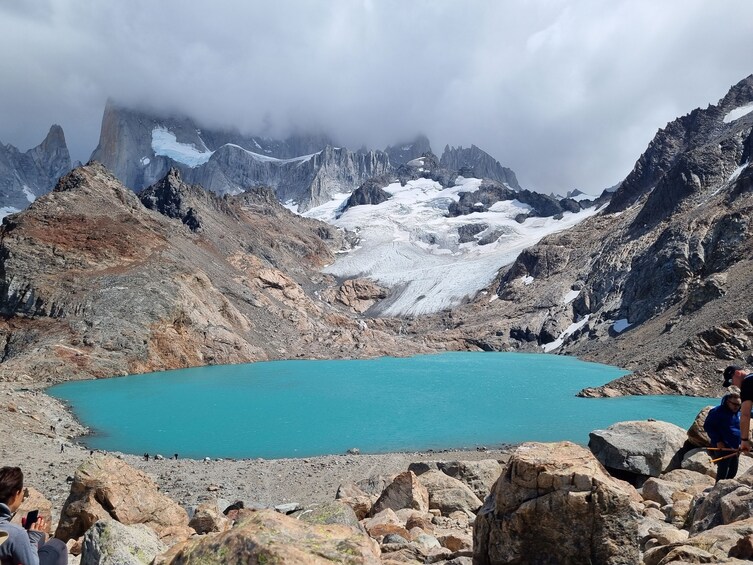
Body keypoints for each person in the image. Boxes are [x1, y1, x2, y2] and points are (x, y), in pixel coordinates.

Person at [0, 466, 67, 565]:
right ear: (16, 493)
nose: (23, 494)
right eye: (22, 491)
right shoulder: (16, 534)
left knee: (41, 537)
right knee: (58, 545)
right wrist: (32, 539)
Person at [703, 391, 742, 481]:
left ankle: (723, 488)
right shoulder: (717, 412)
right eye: (734, 404)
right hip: (722, 446)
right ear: (728, 402)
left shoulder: (738, 412)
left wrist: (741, 442)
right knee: (722, 471)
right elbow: (708, 427)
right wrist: (718, 441)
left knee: (733, 471)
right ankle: (717, 490)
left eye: (739, 404)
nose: (737, 407)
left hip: (735, 447)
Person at [723, 365, 753, 453]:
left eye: (731, 380)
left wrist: (744, 440)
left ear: (737, 373)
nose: (733, 384)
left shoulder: (747, 382)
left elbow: (745, 414)